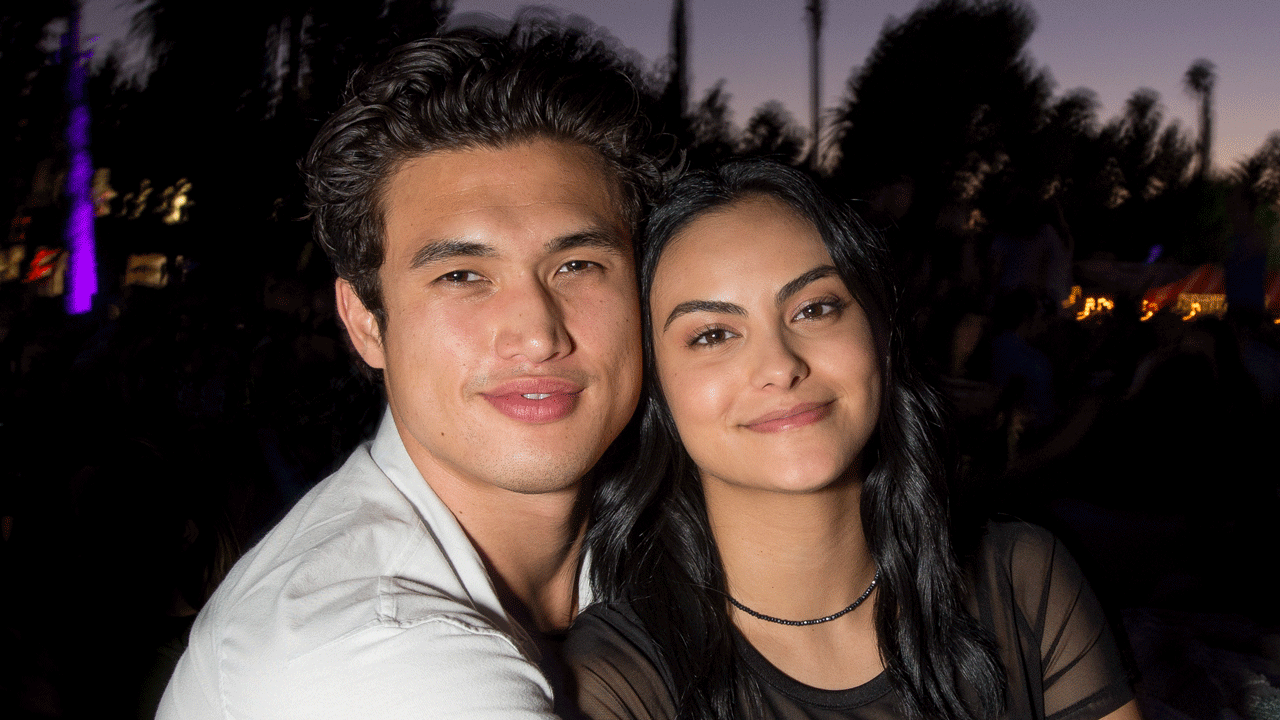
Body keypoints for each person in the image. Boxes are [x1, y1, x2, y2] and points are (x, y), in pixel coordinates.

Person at [158, 25, 659, 720]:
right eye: (462, 275)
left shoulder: (654, 544)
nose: (539, 334)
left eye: (577, 265)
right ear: (366, 321)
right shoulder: (365, 655)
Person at [566, 159, 1141, 720]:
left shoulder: (1021, 580)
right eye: (713, 334)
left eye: (815, 308)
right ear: (654, 386)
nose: (780, 365)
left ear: (879, 336)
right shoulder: (620, 676)